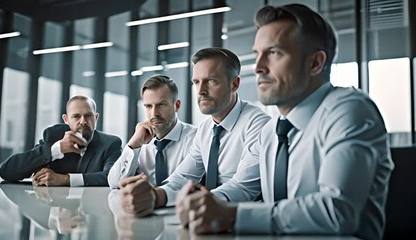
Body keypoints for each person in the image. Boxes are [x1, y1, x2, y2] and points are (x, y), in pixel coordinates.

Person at [176, 4, 394, 240]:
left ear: (315, 63)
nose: (258, 67)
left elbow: (337, 211)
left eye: (274, 53)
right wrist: (204, 203)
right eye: (257, 54)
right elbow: (244, 186)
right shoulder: (272, 129)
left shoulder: (350, 110)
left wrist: (232, 216)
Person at [119, 47, 271, 217]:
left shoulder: (258, 124)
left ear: (234, 84)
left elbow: (244, 187)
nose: (201, 91)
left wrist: (198, 202)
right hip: (204, 220)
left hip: (242, 222)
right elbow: (183, 176)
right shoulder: (206, 129)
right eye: (196, 82)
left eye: (211, 81)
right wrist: (155, 196)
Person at [0, 95, 122, 186]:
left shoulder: (111, 143)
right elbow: (7, 172)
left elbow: (112, 178)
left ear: (96, 118)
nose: (83, 121)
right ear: (66, 119)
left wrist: (65, 179)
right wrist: (55, 150)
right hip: (57, 209)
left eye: (88, 116)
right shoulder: (53, 136)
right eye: (76, 116)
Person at [107, 74, 197, 188]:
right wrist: (133, 145)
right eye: (149, 106)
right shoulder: (141, 142)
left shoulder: (194, 138)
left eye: (161, 105)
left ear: (177, 106)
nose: (154, 113)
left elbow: (186, 184)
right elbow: (114, 182)